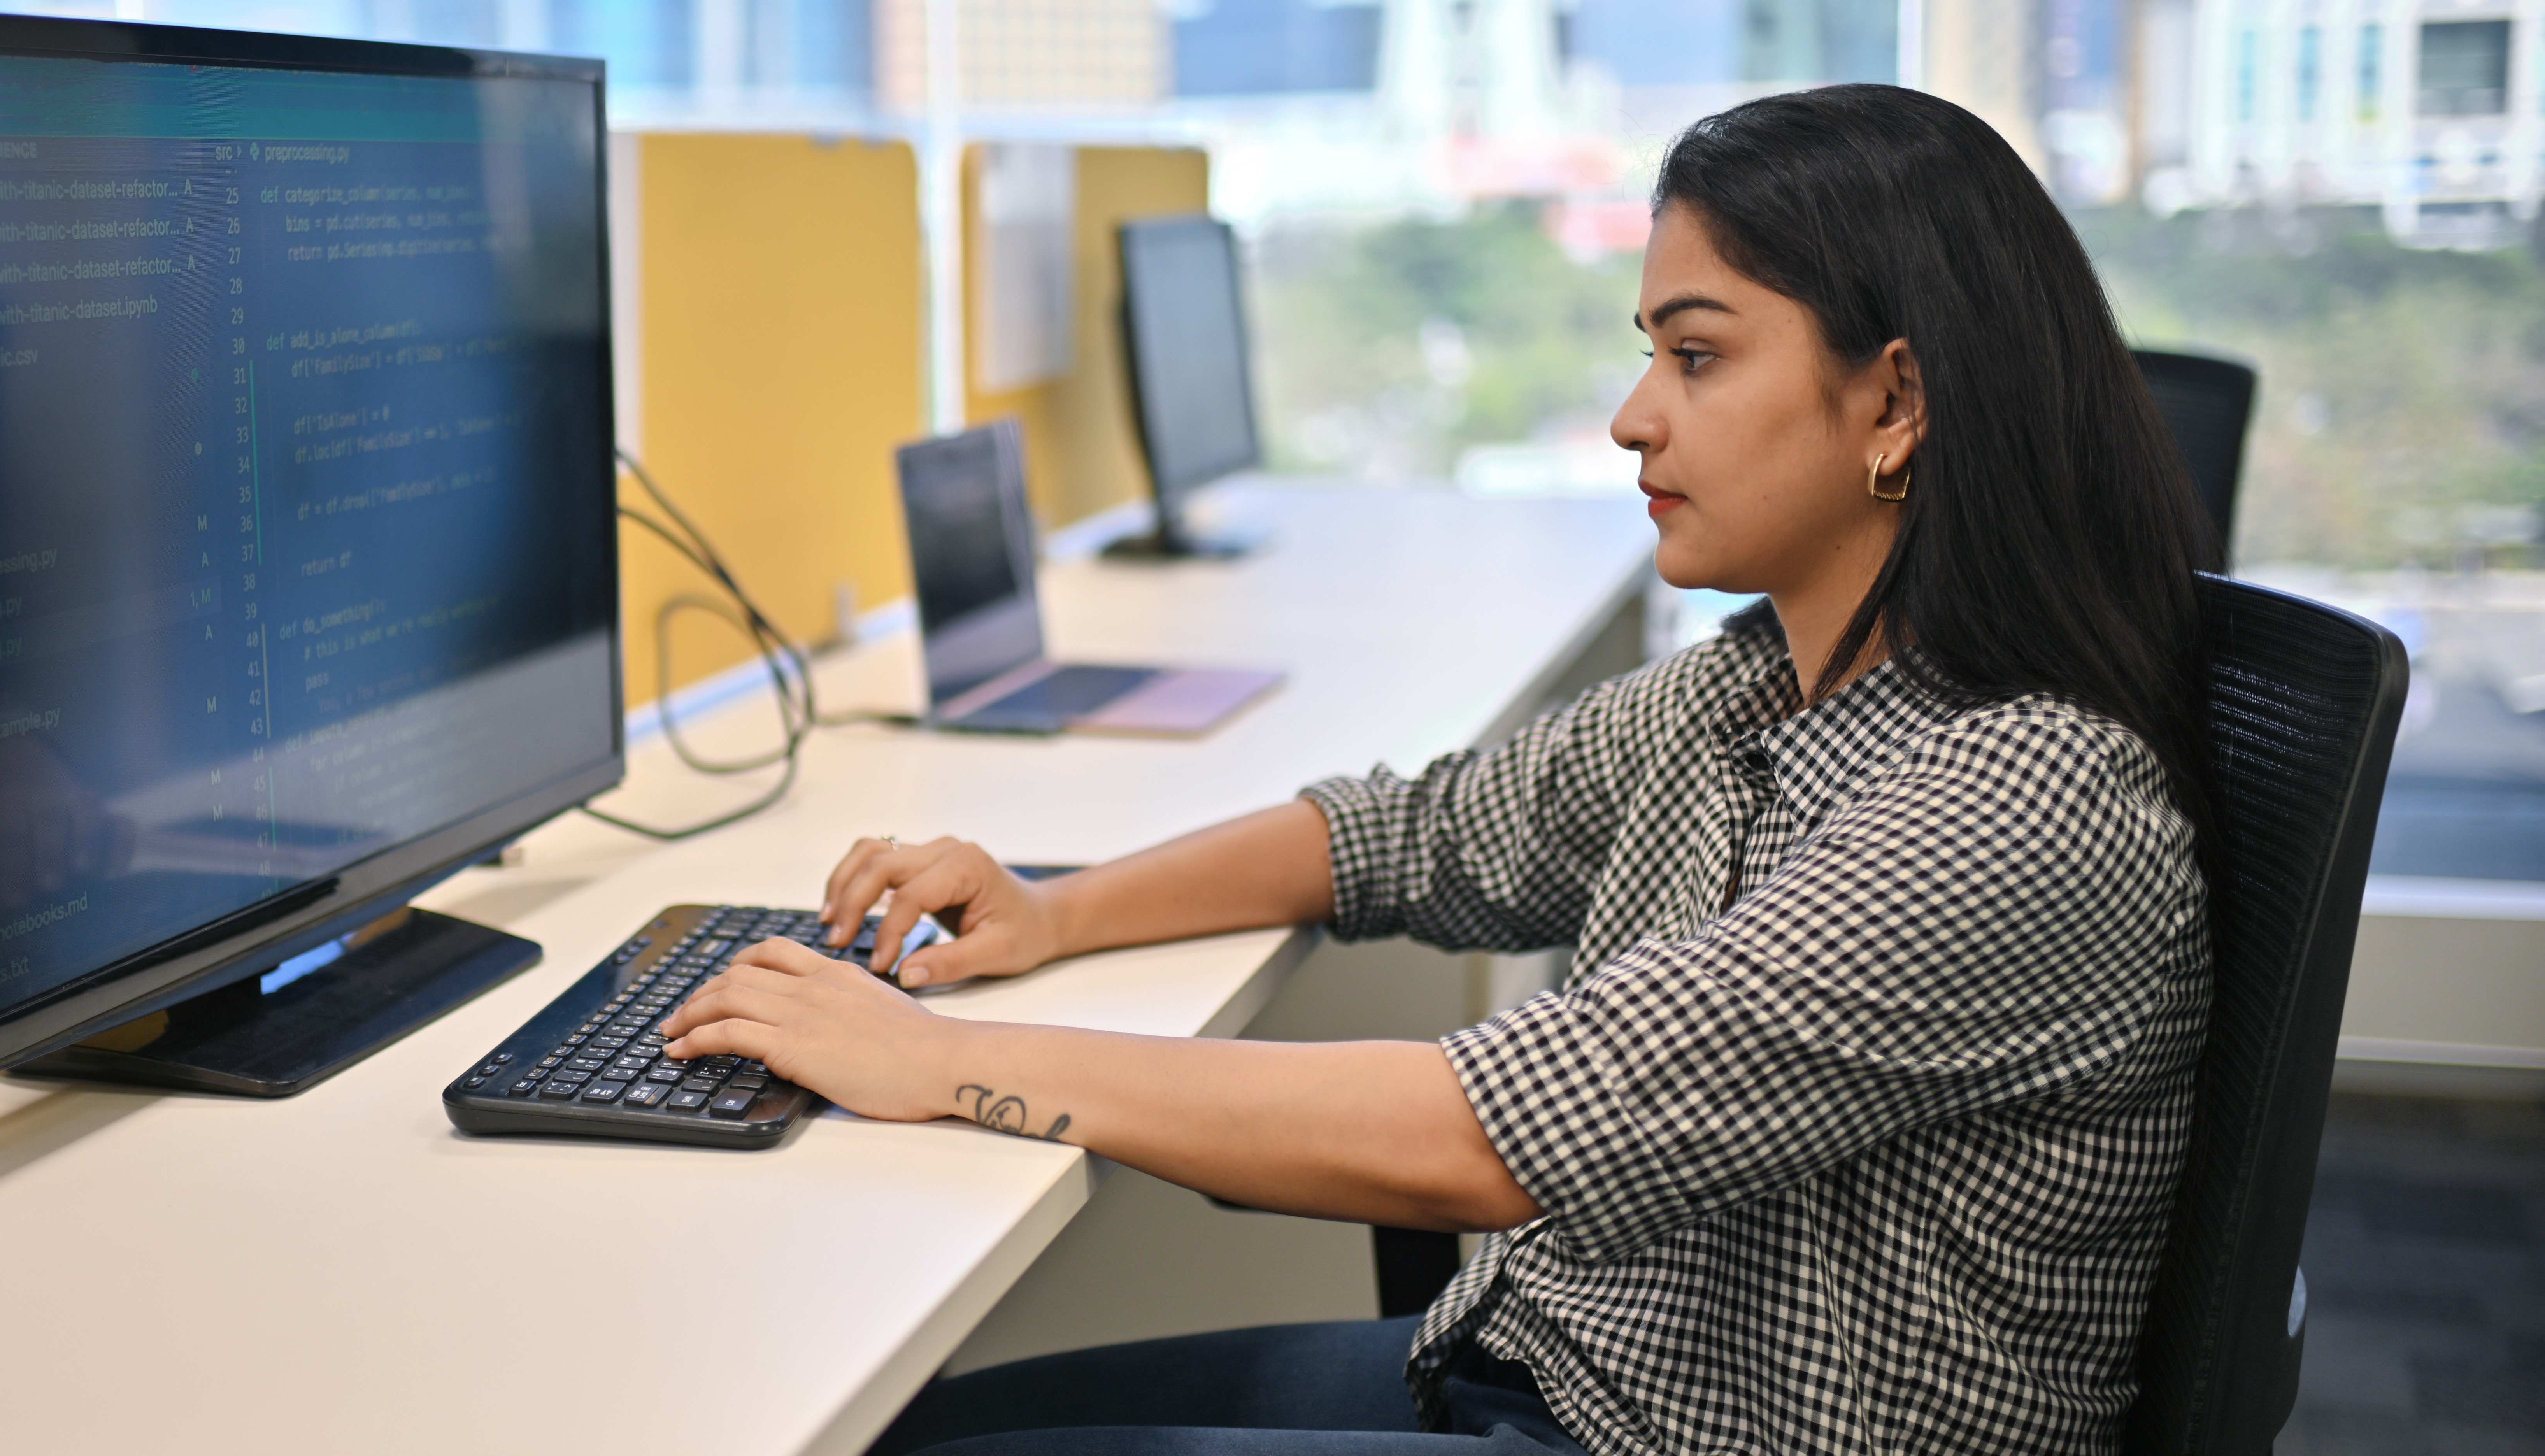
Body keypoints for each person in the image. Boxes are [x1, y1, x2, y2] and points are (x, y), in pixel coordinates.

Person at [659, 84, 2216, 1456]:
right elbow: (1411, 840)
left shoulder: (2016, 810)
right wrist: (1057, 913)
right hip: (1550, 1365)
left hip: (1674, 1434)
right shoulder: (1758, 687)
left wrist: (940, 1069)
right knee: (901, 1434)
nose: (1632, 417)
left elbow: (1484, 1143)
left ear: (1896, 400)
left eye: (1697, 357)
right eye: (1647, 357)